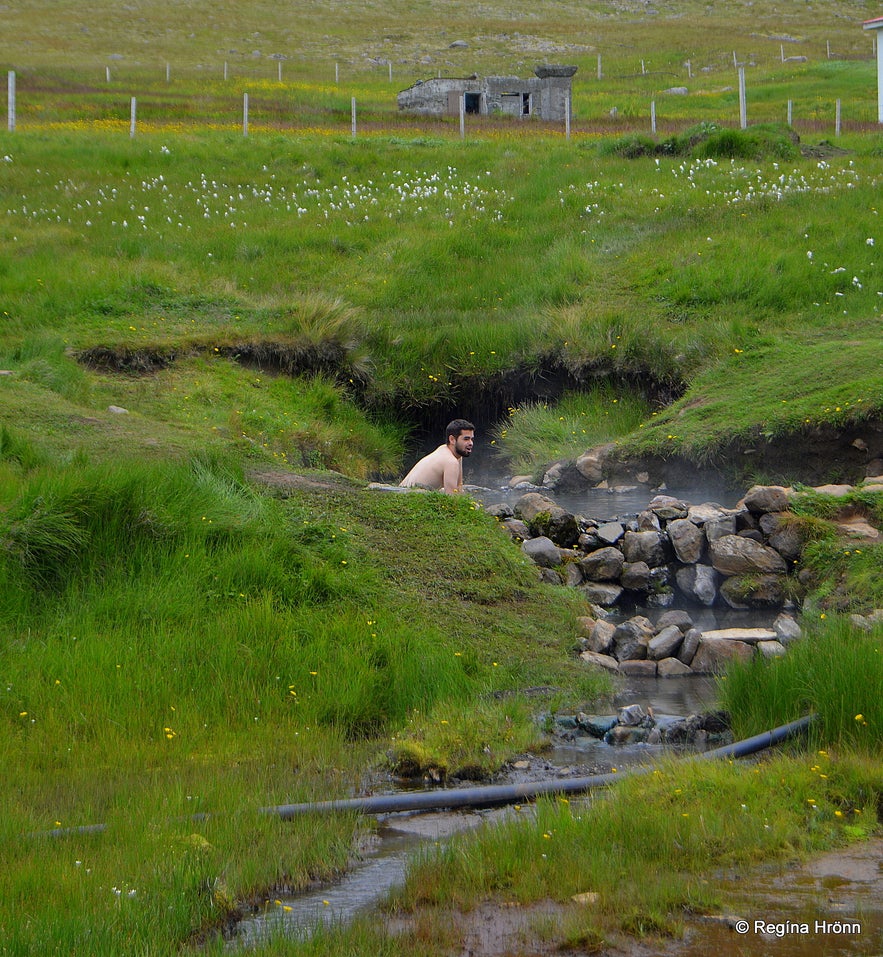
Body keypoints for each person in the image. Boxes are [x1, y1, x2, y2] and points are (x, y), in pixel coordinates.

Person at [399, 419, 475, 494]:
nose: (471, 443)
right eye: (466, 439)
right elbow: (452, 497)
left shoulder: (448, 451)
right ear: (452, 439)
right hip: (407, 495)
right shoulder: (450, 461)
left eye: (472, 439)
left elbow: (458, 487)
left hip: (401, 492)